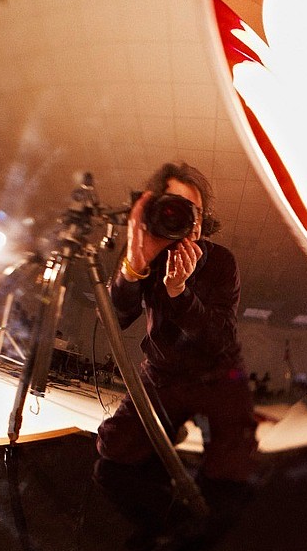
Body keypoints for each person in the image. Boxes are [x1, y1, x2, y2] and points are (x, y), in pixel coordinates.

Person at [96, 162, 257, 482]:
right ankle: (170, 428)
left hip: (214, 378)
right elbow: (114, 320)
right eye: (174, 207)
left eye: (193, 210)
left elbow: (221, 339)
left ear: (202, 219)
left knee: (232, 474)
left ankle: (179, 429)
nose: (185, 218)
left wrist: (179, 292)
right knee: (113, 448)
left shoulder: (222, 261)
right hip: (162, 375)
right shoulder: (145, 253)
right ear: (157, 210)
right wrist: (133, 269)